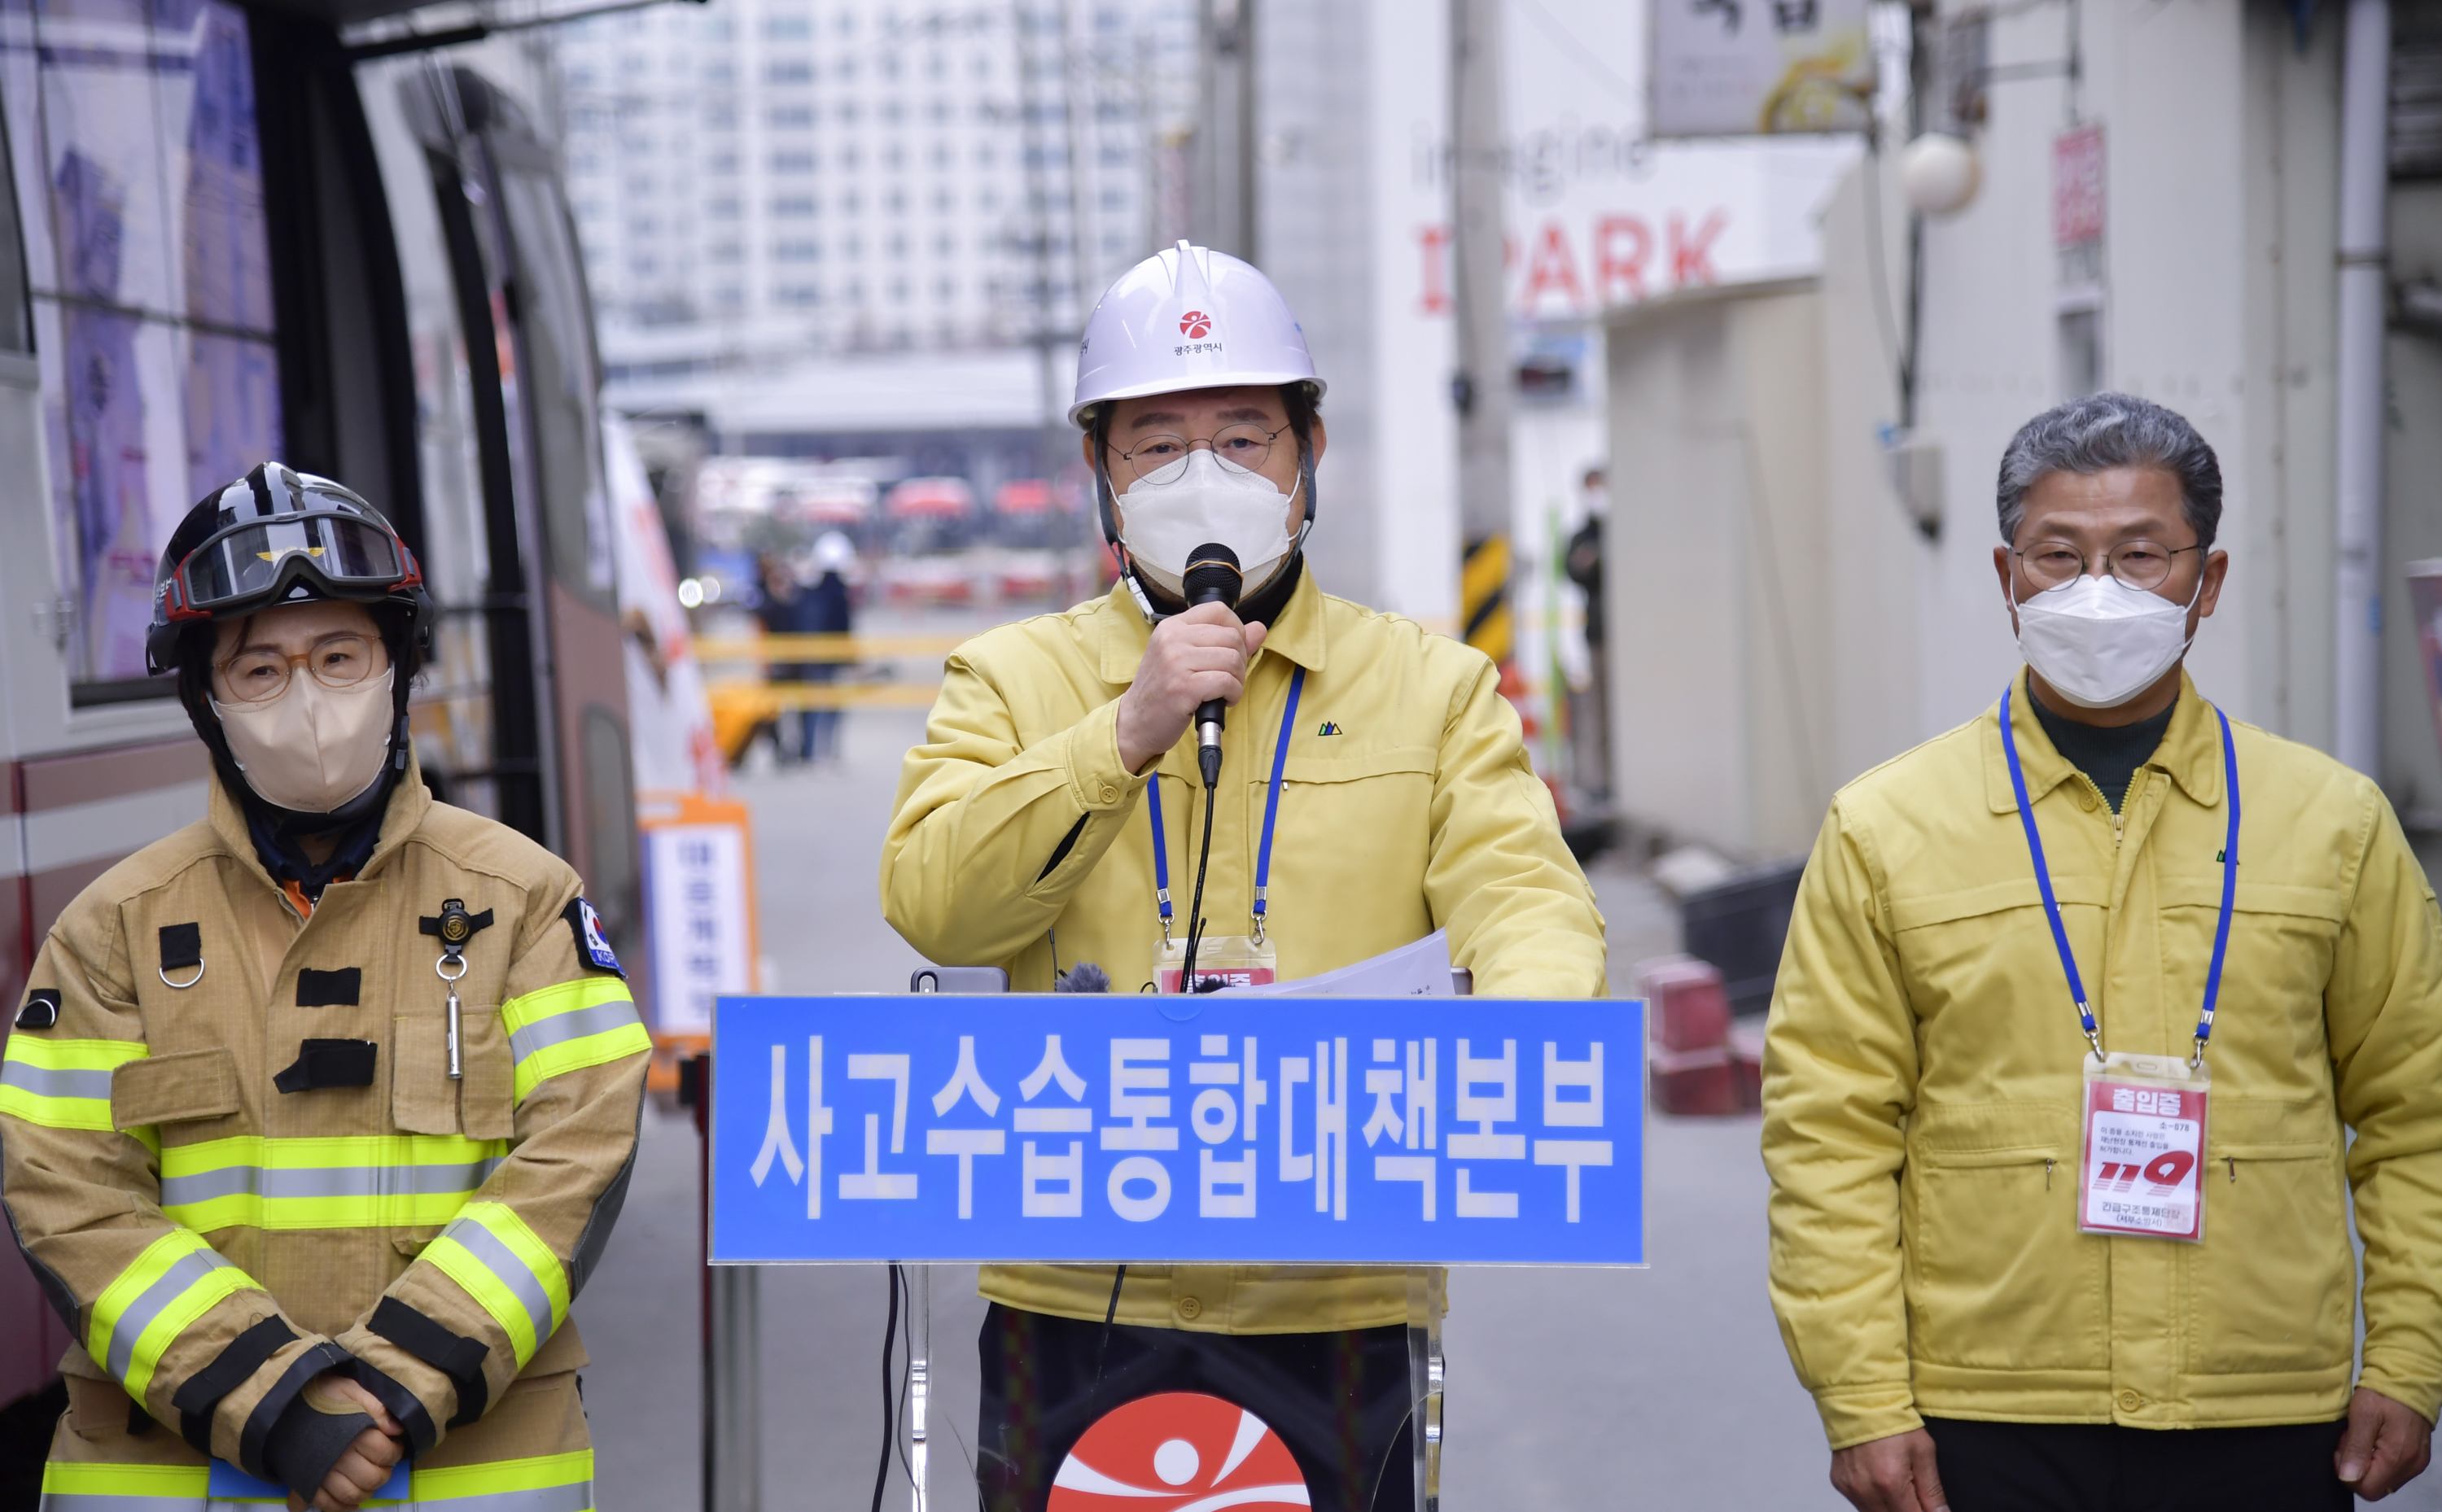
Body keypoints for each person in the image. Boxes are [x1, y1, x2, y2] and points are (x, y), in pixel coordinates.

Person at [881, 240, 1607, 1511]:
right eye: (1157, 446)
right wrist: (1121, 733)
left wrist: (1521, 1051)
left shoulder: (1432, 689)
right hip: (1075, 1289)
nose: (1202, 474)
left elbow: (1525, 900)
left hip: (1339, 1291)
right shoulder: (1010, 681)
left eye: (1241, 437)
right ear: (1102, 474)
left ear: (1307, 455)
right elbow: (938, 904)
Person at [1762, 395, 2442, 1512]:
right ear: (2007, 576)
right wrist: (1862, 1394)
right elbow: (1827, 1132)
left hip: (2264, 1405)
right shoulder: (1886, 827)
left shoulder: (2333, 821)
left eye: (2140, 555)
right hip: (1988, 1406)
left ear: (2207, 581)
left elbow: (2418, 1109)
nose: (2097, 591)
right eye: (2059, 556)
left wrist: (2409, 1357)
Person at [0, 465, 650, 1510]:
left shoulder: (525, 900)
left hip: (468, 1471)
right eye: (260, 668)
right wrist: (275, 1401)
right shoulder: (111, 930)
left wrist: (395, 1380)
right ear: (207, 701)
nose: (307, 700)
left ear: (397, 667)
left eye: (339, 656)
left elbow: (581, 1155)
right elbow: (64, 1192)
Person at [1562, 464, 1611, 803]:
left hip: (1635, 639)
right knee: (1600, 710)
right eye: (1591, 488)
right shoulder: (1583, 536)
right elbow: (1574, 569)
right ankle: (1601, 782)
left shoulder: (1624, 529)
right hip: (1600, 635)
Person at [755, 549, 825, 764]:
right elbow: (762, 621)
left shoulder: (800, 599)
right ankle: (780, 751)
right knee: (773, 712)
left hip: (799, 663)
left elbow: (807, 626)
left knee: (803, 710)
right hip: (776, 664)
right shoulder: (767, 601)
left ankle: (805, 750)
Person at [803, 531, 857, 762]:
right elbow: (845, 629)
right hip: (834, 659)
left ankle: (813, 752)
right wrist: (852, 658)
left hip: (814, 658)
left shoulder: (811, 593)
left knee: (815, 706)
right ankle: (829, 752)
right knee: (832, 707)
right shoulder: (841, 595)